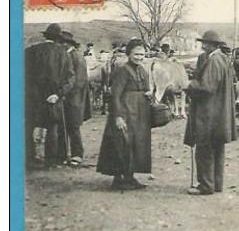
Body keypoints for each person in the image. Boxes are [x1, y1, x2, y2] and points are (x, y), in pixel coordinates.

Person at [184, 30, 237, 195]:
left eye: (204, 43)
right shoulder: (224, 59)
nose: (202, 46)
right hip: (220, 113)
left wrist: (189, 85)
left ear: (211, 45)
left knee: (204, 149)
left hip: (208, 114)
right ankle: (216, 184)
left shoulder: (213, 61)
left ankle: (206, 186)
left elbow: (207, 87)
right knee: (217, 149)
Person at [96, 39, 153, 191]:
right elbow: (115, 95)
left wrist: (148, 94)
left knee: (136, 144)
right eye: (136, 54)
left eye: (142, 54)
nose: (139, 57)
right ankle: (118, 178)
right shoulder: (122, 70)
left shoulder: (142, 70)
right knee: (121, 143)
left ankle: (129, 176)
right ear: (129, 54)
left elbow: (146, 89)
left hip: (139, 114)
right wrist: (118, 116)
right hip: (125, 111)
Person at [25, 23, 76, 168]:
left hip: (32, 98)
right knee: (52, 127)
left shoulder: (30, 51)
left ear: (46, 36)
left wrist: (32, 93)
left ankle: (29, 158)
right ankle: (51, 161)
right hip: (54, 97)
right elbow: (71, 79)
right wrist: (58, 94)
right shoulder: (64, 54)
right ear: (58, 39)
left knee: (28, 126)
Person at [60, 31, 91, 166]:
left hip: (75, 98)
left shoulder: (76, 57)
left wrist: (67, 94)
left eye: (61, 43)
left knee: (73, 126)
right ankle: (62, 154)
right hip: (68, 97)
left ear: (66, 43)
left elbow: (80, 80)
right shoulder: (67, 55)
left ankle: (77, 154)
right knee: (64, 125)